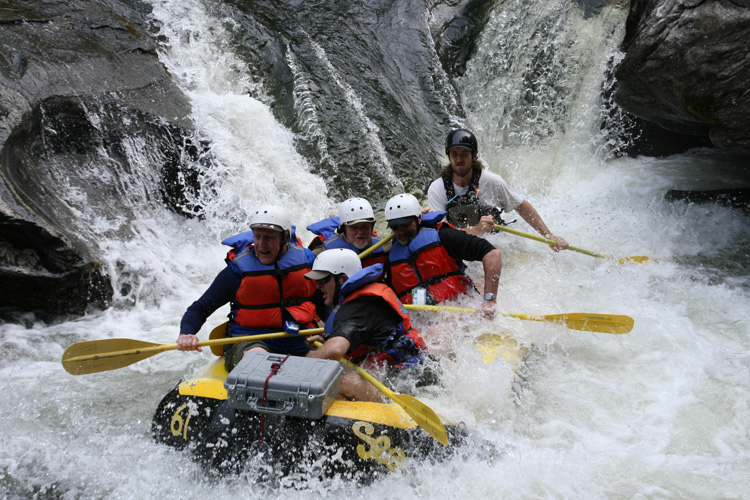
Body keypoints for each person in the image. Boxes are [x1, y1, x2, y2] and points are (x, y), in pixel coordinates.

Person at [176, 205, 319, 371]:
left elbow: (328, 302)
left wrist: (326, 333)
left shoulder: (307, 261)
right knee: (260, 362)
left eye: (269, 238)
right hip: (251, 341)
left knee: (331, 358)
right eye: (257, 236)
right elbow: (200, 308)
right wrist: (186, 333)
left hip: (300, 339)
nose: (261, 245)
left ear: (285, 237)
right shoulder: (238, 270)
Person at [304, 248, 428, 402]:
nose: (318, 286)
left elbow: (335, 350)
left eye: (323, 280)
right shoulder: (366, 298)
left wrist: (302, 371)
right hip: (418, 369)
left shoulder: (356, 307)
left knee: (329, 383)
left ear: (342, 279)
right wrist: (325, 344)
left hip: (406, 382)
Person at [427, 128, 569, 250]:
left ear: (474, 156)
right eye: (454, 154)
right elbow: (441, 234)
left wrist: (549, 236)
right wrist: (477, 230)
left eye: (464, 154)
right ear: (449, 157)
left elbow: (521, 206)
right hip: (459, 246)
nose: (458, 159)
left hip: (494, 243)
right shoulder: (437, 189)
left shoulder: (492, 181)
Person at [385, 193, 502, 317]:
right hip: (422, 317)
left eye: (405, 224)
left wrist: (489, 300)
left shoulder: (444, 236)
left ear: (419, 218)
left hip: (461, 308)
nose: (401, 231)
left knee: (440, 329)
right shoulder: (389, 255)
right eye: (395, 226)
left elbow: (493, 254)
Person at [306, 197, 388, 269]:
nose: (360, 232)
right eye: (353, 227)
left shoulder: (384, 245)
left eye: (365, 226)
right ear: (344, 229)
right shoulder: (323, 252)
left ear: (371, 227)